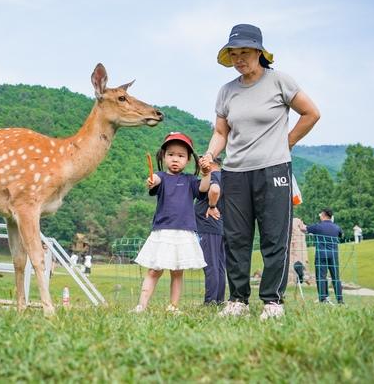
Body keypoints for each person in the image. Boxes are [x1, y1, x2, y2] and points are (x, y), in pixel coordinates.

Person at [200, 24, 320, 320]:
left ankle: (273, 302)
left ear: (259, 52)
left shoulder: (280, 81)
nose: (239, 58)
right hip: (235, 171)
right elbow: (220, 131)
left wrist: (287, 142)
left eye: (245, 52)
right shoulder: (227, 92)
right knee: (237, 237)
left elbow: (311, 113)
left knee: (273, 236)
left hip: (274, 169)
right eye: (234, 53)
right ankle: (237, 300)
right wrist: (211, 154)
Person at [133, 132, 211, 313]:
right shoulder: (161, 177)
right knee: (154, 270)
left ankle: (173, 307)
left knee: (177, 272)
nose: (175, 159)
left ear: (188, 160)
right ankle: (141, 305)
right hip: (163, 231)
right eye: (171, 155)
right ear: (164, 156)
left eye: (181, 156)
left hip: (184, 232)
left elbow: (203, 188)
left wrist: (207, 174)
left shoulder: (190, 180)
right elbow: (155, 180)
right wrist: (152, 181)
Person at [194, 156, 226, 305]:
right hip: (220, 227)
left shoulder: (213, 177)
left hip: (208, 226)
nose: (201, 164)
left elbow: (214, 190)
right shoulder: (225, 177)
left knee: (210, 265)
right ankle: (218, 299)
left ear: (212, 163)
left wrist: (212, 207)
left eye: (204, 161)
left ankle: (210, 301)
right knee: (219, 265)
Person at [302, 209, 344, 304]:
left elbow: (304, 229)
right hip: (333, 255)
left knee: (321, 277)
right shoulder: (336, 227)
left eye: (320, 214)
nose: (319, 216)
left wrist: (300, 224)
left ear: (324, 215)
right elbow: (341, 235)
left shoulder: (318, 226)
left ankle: (323, 298)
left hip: (321, 255)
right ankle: (340, 300)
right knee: (336, 277)